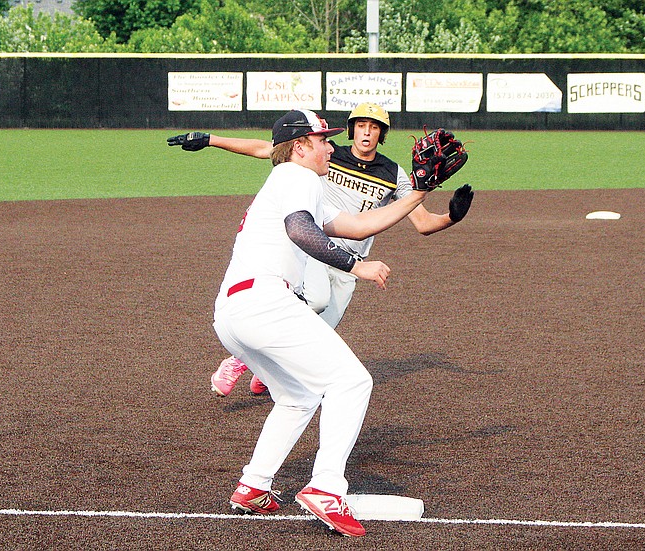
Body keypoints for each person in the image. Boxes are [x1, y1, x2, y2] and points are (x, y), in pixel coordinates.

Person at [212, 108, 432, 537]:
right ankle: (326, 487)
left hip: (232, 311)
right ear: (299, 146)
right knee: (352, 382)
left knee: (297, 397)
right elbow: (300, 231)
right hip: (266, 302)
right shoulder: (297, 177)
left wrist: (419, 193)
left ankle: (253, 485)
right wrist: (357, 267)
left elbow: (358, 224)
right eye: (323, 140)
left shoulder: (294, 183)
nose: (332, 146)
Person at [168, 103, 473, 397]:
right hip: (313, 246)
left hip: (350, 261)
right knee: (315, 299)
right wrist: (211, 139)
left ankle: (268, 371)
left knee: (318, 332)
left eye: (375, 127)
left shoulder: (392, 173)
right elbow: (268, 149)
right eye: (361, 125)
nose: (367, 132)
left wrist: (452, 217)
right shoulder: (326, 153)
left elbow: (421, 222)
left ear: (382, 134)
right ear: (352, 130)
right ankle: (240, 360)